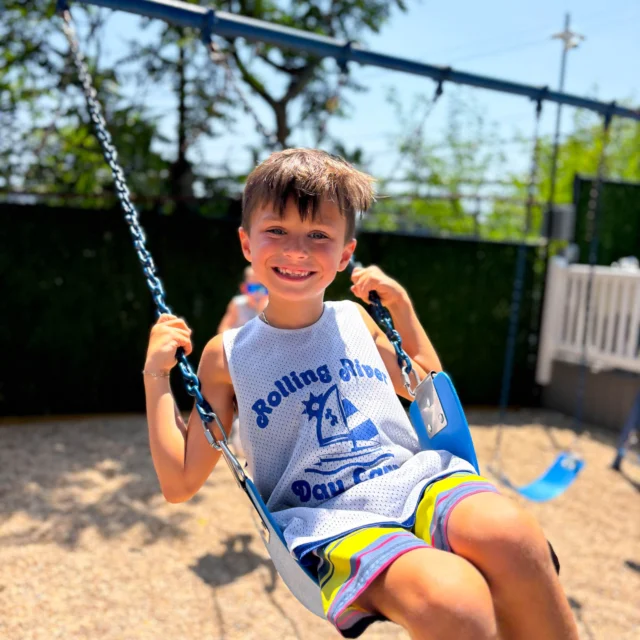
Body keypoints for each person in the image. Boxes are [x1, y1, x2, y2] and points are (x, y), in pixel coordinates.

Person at [143, 149, 579, 640]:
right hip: (332, 521)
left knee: (515, 538)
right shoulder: (228, 356)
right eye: (277, 231)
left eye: (319, 236)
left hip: (415, 482)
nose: (297, 250)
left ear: (345, 253)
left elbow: (431, 398)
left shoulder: (356, 319)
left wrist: (405, 313)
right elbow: (179, 483)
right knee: (455, 601)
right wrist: (155, 379)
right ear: (246, 242)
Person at [217, 266, 268, 334]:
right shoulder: (237, 304)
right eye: (252, 288)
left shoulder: (274, 307)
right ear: (243, 288)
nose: (257, 293)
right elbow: (223, 328)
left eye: (262, 288)